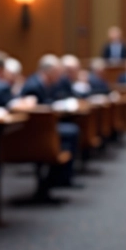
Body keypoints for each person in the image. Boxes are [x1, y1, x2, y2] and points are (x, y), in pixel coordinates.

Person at [20, 54, 80, 185]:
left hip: (42, 126)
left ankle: (59, 176)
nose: (59, 78)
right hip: (32, 132)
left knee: (70, 129)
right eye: (57, 73)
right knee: (70, 131)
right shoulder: (33, 85)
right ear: (49, 71)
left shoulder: (43, 82)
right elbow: (34, 110)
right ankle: (59, 177)